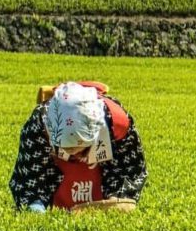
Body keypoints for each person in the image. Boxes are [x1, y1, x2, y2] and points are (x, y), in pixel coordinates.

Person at [10, 81, 147, 212]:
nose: (74, 155)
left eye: (81, 149)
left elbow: (130, 170)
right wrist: (35, 207)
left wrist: (117, 201)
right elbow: (30, 178)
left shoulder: (118, 123)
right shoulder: (39, 126)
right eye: (65, 149)